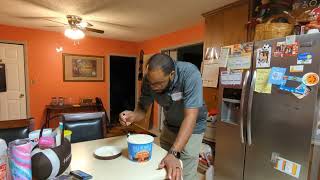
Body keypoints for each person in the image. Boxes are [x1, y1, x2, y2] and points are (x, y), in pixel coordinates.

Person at [119, 53, 207, 180]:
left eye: (159, 83)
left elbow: (190, 117)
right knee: (164, 170)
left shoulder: (190, 74)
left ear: (171, 74)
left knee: (184, 173)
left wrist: (173, 153)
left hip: (193, 128)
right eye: (151, 83)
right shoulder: (149, 80)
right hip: (170, 124)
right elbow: (142, 108)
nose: (153, 87)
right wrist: (132, 116)